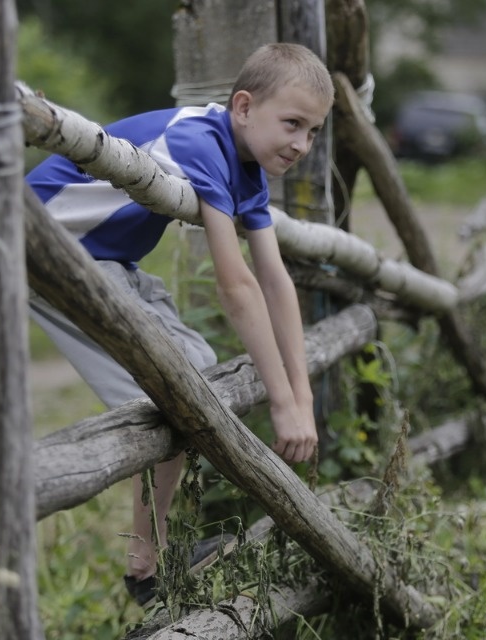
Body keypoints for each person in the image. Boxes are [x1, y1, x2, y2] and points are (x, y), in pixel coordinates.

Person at [25, 42, 334, 606]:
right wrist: (281, 402)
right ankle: (147, 567)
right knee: (174, 387)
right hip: (47, 250)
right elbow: (236, 284)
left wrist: (301, 394)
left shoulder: (248, 171)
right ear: (243, 107)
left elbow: (275, 279)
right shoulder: (201, 140)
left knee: (198, 371)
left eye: (313, 131)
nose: (302, 144)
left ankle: (149, 559)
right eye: (292, 124)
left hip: (105, 261)